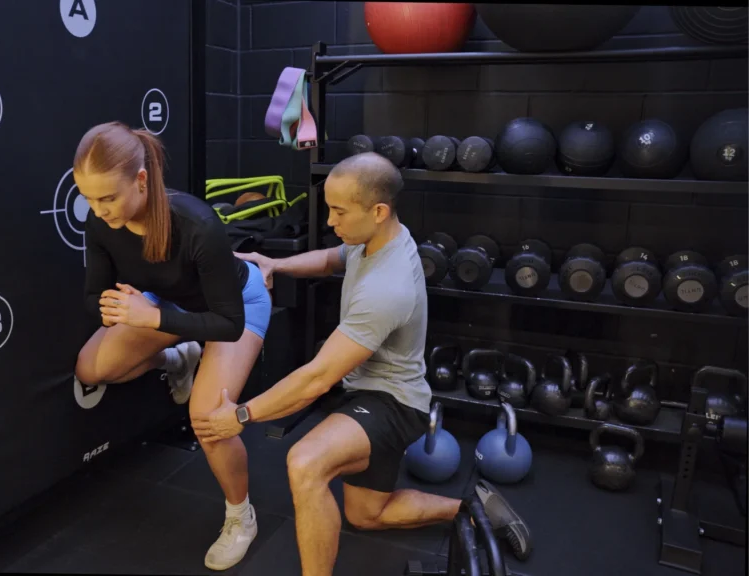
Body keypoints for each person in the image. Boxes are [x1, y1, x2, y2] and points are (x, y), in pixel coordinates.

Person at [191, 152, 532, 576]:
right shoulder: (378, 237)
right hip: (368, 392)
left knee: (306, 463)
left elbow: (317, 378)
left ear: (378, 211)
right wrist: (276, 263)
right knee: (366, 514)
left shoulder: (387, 288)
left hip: (392, 402)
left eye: (338, 211)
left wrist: (241, 415)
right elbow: (333, 258)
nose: (330, 221)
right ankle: (473, 508)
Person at [72, 121, 271, 571]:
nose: (98, 210)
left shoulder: (198, 224)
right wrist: (111, 308)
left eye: (108, 198)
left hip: (236, 308)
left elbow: (229, 324)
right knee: (91, 368)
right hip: (169, 305)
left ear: (141, 180)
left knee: (208, 421)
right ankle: (179, 360)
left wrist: (151, 317)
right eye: (89, 199)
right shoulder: (100, 222)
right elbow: (93, 294)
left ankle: (241, 517)